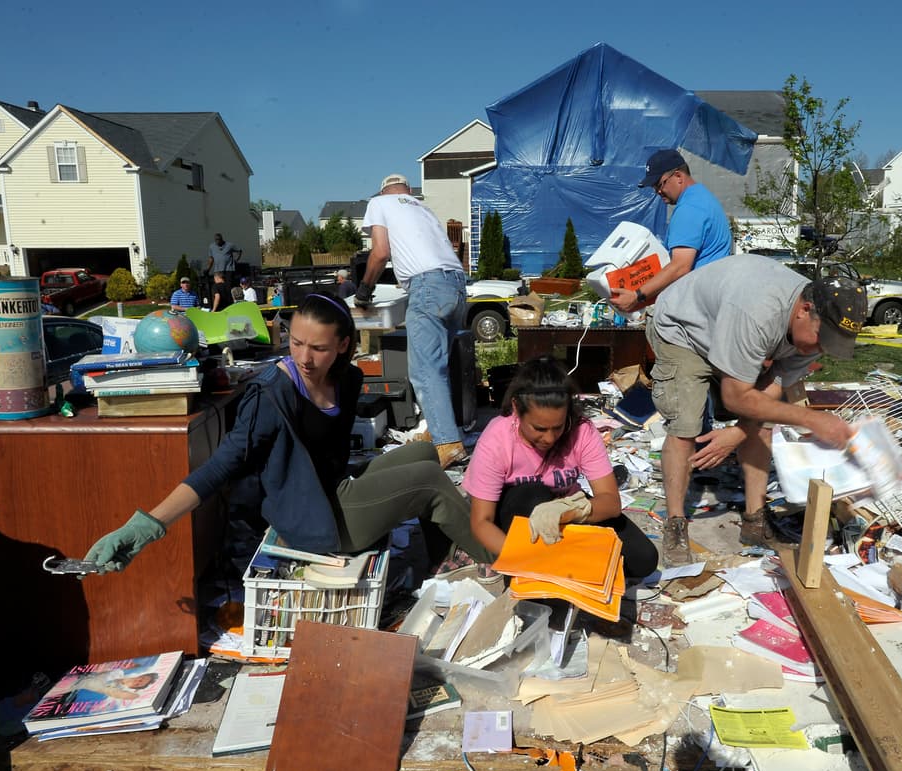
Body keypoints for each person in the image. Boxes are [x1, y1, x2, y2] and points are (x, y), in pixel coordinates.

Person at [84, 292, 491, 576]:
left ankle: (444, 561)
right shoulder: (270, 396)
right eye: (296, 343)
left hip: (334, 491)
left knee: (422, 456)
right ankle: (501, 560)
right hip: (314, 517)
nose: (304, 358)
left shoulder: (348, 379)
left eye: (318, 348)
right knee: (429, 480)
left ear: (343, 345)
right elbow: (219, 467)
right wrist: (148, 526)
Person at [646, 253, 866, 564]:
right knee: (686, 424)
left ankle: (755, 521)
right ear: (804, 310)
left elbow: (768, 396)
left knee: (765, 421)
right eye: (822, 339)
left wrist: (739, 432)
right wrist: (813, 419)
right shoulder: (757, 312)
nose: (820, 349)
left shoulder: (815, 329)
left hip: (730, 329)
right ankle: (675, 523)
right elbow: (736, 397)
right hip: (683, 330)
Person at [463, 356, 659, 581]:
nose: (549, 438)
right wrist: (518, 557)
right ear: (516, 408)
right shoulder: (497, 439)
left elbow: (611, 503)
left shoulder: (582, 431)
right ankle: (548, 566)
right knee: (532, 493)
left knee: (643, 558)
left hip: (566, 514)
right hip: (517, 521)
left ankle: (569, 564)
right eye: (539, 428)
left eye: (558, 427)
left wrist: (571, 511)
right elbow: (481, 522)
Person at [359, 173, 469, 469]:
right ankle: (439, 431)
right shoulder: (422, 208)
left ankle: (448, 443)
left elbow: (380, 252)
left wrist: (364, 289)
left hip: (428, 286)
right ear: (407, 190)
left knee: (424, 370)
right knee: (438, 368)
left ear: (384, 191)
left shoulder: (380, 203)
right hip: (456, 285)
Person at [610, 148, 732, 313]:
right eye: (654, 187)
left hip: (699, 307)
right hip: (713, 300)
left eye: (659, 184)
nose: (657, 191)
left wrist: (636, 296)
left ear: (678, 176)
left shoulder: (689, 209)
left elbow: (680, 266)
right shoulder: (703, 197)